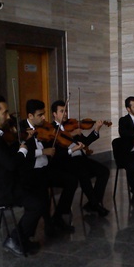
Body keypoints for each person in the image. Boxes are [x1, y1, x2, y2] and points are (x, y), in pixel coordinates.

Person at [0, 93, 45, 257]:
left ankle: (22, 239)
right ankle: (14, 239)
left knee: (37, 195)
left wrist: (20, 143)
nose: (8, 116)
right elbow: (11, 164)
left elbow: (5, 155)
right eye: (5, 112)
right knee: (37, 204)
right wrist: (22, 150)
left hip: (3, 183)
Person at [20, 99, 78, 234]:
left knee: (72, 180)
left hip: (46, 169)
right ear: (30, 116)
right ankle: (48, 226)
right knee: (42, 193)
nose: (44, 118)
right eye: (40, 115)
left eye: (44, 114)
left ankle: (58, 216)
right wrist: (42, 152)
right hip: (31, 172)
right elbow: (22, 154)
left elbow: (54, 147)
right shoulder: (21, 129)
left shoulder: (45, 128)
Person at [51, 100, 110, 217]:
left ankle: (93, 203)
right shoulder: (51, 129)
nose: (65, 114)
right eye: (62, 111)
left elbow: (85, 142)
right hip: (65, 161)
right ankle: (95, 205)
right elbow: (56, 150)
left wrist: (96, 129)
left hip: (80, 159)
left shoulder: (71, 125)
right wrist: (71, 135)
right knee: (82, 173)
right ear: (54, 114)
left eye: (66, 111)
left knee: (104, 171)